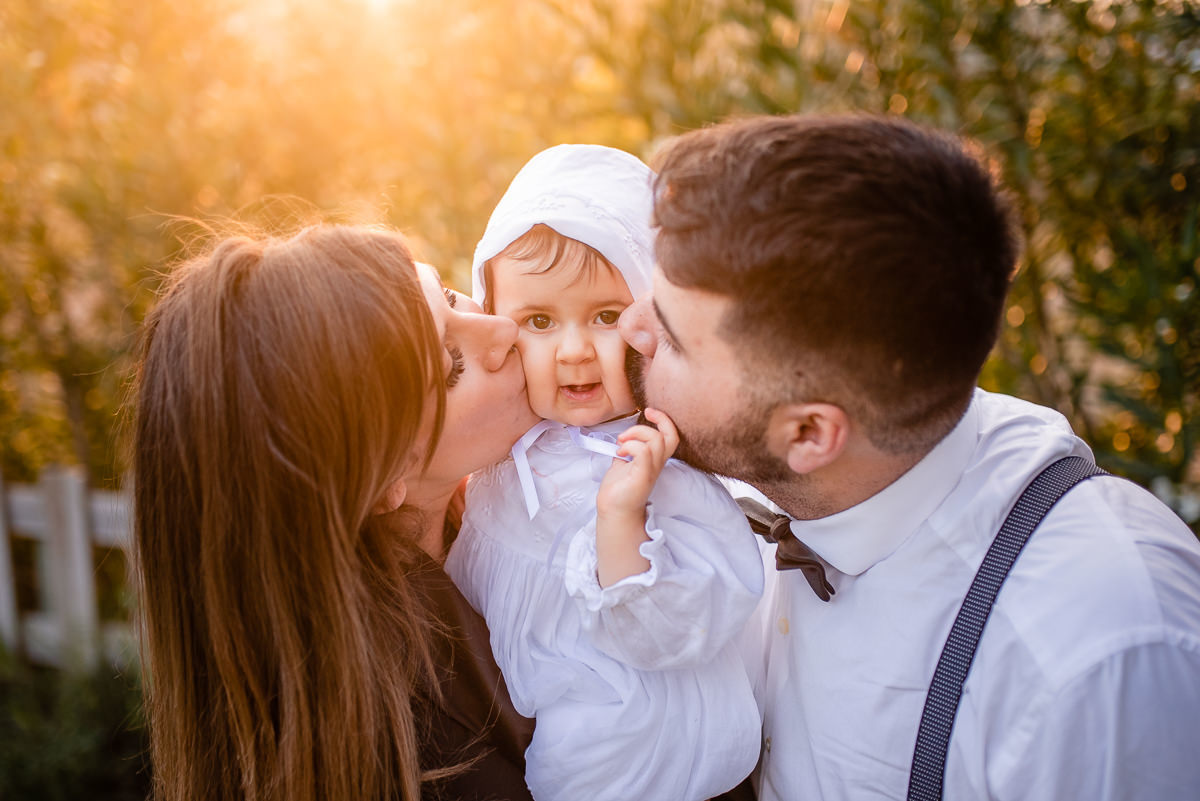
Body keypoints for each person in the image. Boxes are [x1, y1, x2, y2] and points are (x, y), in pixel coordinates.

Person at [619, 114, 1200, 800]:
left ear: (808, 435)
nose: (629, 324)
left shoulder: (1094, 661)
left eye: (672, 338)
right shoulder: (772, 481)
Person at [132, 225, 542, 801]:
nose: (502, 329)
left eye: (448, 296)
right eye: (451, 366)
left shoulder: (512, 515)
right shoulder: (433, 757)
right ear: (376, 479)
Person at [446, 144, 764, 801]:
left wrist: (621, 519)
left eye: (606, 316)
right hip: (544, 750)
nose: (573, 351)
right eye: (538, 321)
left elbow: (682, 630)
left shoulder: (661, 463)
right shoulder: (505, 451)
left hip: (656, 763)